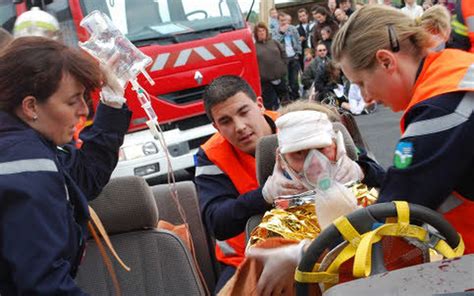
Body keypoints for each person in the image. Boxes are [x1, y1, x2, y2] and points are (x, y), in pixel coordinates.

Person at [331, 4, 473, 250]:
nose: (365, 98)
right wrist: (369, 172)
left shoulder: (442, 108)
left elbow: (394, 213)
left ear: (386, 61)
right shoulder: (453, 70)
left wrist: (301, 253)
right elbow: (422, 174)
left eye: (362, 83)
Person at [0, 37, 131, 294]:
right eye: (72, 101)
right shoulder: (25, 165)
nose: (83, 110)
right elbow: (45, 286)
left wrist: (112, 101)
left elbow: (82, 177)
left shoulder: (23, 146)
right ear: (31, 106)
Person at [194, 75, 305, 293]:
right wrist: (263, 196)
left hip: (316, 243)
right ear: (216, 126)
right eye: (225, 121)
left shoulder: (297, 125)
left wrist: (359, 169)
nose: (240, 127)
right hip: (246, 260)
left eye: (244, 112)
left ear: (260, 105)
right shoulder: (211, 155)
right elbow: (216, 222)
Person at [254, 22, 288, 110]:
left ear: (266, 31)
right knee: (270, 104)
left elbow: (283, 53)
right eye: (259, 31)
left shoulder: (274, 42)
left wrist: (283, 66)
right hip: (266, 81)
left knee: (286, 101)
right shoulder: (254, 47)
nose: (261, 33)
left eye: (263, 30)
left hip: (280, 77)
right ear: (256, 34)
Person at [273, 12, 302, 101]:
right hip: (283, 59)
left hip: (294, 57)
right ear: (278, 21)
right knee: (286, 81)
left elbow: (298, 40)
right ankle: (288, 99)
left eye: (285, 20)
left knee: (294, 81)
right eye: (281, 20)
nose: (284, 22)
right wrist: (282, 32)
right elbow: (275, 43)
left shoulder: (293, 29)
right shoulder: (275, 31)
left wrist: (298, 53)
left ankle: (296, 98)